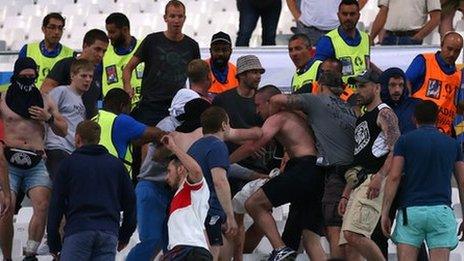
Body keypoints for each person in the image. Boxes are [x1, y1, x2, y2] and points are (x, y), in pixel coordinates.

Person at [230, 85, 326, 261]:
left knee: (254, 204)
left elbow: (254, 144)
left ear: (270, 102)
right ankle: (284, 249)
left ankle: (279, 248)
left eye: (259, 105)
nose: (257, 111)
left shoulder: (278, 117)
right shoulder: (300, 117)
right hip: (317, 173)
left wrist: (225, 161)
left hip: (303, 168)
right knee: (306, 237)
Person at [269, 71, 357, 259]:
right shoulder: (349, 109)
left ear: (320, 86)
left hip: (335, 173)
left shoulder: (317, 100)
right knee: (310, 233)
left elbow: (276, 99)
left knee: (334, 229)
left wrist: (273, 123)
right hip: (352, 173)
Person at [0, 57, 68, 260]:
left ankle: (30, 252)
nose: (29, 79)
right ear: (16, 75)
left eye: (32, 76)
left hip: (36, 161)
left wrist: (47, 118)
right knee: (6, 207)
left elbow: (64, 130)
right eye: (25, 76)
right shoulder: (3, 99)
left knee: (42, 205)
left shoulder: (45, 99)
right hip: (9, 160)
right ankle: (7, 257)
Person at [381, 100, 464, 260]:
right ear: (437, 119)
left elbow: (394, 177)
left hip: (411, 212)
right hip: (441, 211)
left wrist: (385, 212)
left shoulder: (404, 141)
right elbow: (462, 182)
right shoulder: (453, 145)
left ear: (414, 119)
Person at [47, 120, 136, 261]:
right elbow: (130, 202)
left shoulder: (68, 165)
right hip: (108, 232)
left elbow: (56, 205)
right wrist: (125, 235)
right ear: (99, 139)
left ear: (77, 138)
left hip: (78, 230)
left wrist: (53, 243)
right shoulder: (117, 165)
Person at [338, 70, 400, 261]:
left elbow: (396, 149)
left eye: (363, 86)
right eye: (357, 86)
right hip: (359, 180)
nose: (358, 90)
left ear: (377, 87)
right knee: (348, 246)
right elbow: (360, 157)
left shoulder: (385, 112)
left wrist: (380, 176)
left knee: (354, 235)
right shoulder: (364, 116)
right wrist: (346, 192)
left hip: (373, 180)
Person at [123, 0, 200, 126]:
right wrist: (127, 86)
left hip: (177, 107)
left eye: (180, 16)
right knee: (145, 143)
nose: (176, 20)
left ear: (185, 18)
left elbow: (197, 77)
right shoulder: (152, 40)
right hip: (150, 105)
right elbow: (128, 68)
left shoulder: (192, 45)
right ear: (165, 18)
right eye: (172, 16)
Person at [186, 106, 237, 260]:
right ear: (223, 125)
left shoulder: (195, 147)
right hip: (210, 210)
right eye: (229, 123)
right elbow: (219, 181)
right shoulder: (217, 146)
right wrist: (230, 215)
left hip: (195, 209)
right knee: (211, 256)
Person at [161, 134, 213, 261]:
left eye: (169, 171)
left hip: (189, 252)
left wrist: (173, 147)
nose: (166, 177)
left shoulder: (190, 187)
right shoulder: (182, 196)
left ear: (180, 169)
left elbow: (196, 171)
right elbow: (201, 230)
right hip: (184, 251)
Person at [92, 88, 166, 177]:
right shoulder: (120, 120)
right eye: (129, 107)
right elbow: (158, 134)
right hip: (114, 180)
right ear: (122, 106)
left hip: (92, 175)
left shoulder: (93, 119)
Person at [41, 29, 109, 119]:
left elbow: (96, 101)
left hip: (85, 128)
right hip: (63, 127)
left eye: (104, 51)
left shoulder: (97, 72)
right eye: (97, 49)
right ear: (85, 46)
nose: (100, 55)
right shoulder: (67, 64)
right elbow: (45, 90)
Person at [406, 31, 463, 135]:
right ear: (441, 45)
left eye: (457, 51)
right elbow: (406, 82)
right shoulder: (424, 60)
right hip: (420, 129)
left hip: (444, 133)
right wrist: (409, 107)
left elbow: (456, 107)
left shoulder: (458, 75)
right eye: (449, 49)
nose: (452, 54)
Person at [45, 59, 94, 180]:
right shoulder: (62, 91)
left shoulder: (81, 101)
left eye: (90, 76)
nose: (87, 79)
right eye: (83, 75)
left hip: (71, 150)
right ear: (72, 75)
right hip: (57, 148)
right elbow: (46, 116)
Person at [314, 0, 370, 86]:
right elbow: (318, 73)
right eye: (344, 14)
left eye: (352, 14)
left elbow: (367, 64)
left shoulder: (365, 38)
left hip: (363, 94)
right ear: (338, 15)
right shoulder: (327, 41)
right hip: (340, 95)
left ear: (358, 16)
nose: (348, 18)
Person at [18, 13, 74, 88]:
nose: (57, 32)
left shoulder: (71, 54)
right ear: (43, 29)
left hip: (57, 99)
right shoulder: (27, 50)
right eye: (52, 27)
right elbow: (18, 79)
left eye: (60, 28)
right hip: (29, 98)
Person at [103, 12, 144, 104]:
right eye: (108, 32)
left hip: (143, 110)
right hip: (113, 113)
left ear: (125, 30)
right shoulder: (104, 52)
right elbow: (97, 91)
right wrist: (100, 107)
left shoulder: (144, 48)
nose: (109, 36)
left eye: (112, 32)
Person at [370, 0, 441, 45]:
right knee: (385, 68)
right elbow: (383, 12)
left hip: (411, 37)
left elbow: (436, 17)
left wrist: (418, 37)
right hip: (389, 37)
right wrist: (371, 38)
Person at [380, 67, 420, 134]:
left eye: (401, 85)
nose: (397, 90)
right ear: (384, 86)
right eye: (392, 85)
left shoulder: (416, 105)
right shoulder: (376, 108)